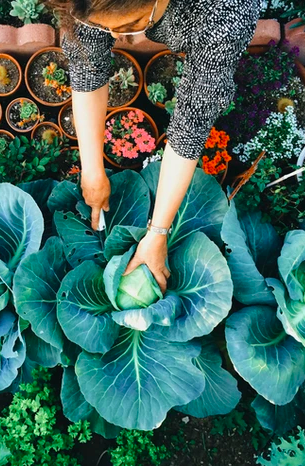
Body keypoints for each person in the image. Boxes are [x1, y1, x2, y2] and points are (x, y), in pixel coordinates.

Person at [54, 0, 260, 292]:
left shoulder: (226, 14)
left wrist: (158, 233)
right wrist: (92, 171)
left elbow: (192, 122)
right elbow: (87, 62)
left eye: (127, 27)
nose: (113, 35)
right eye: (102, 25)